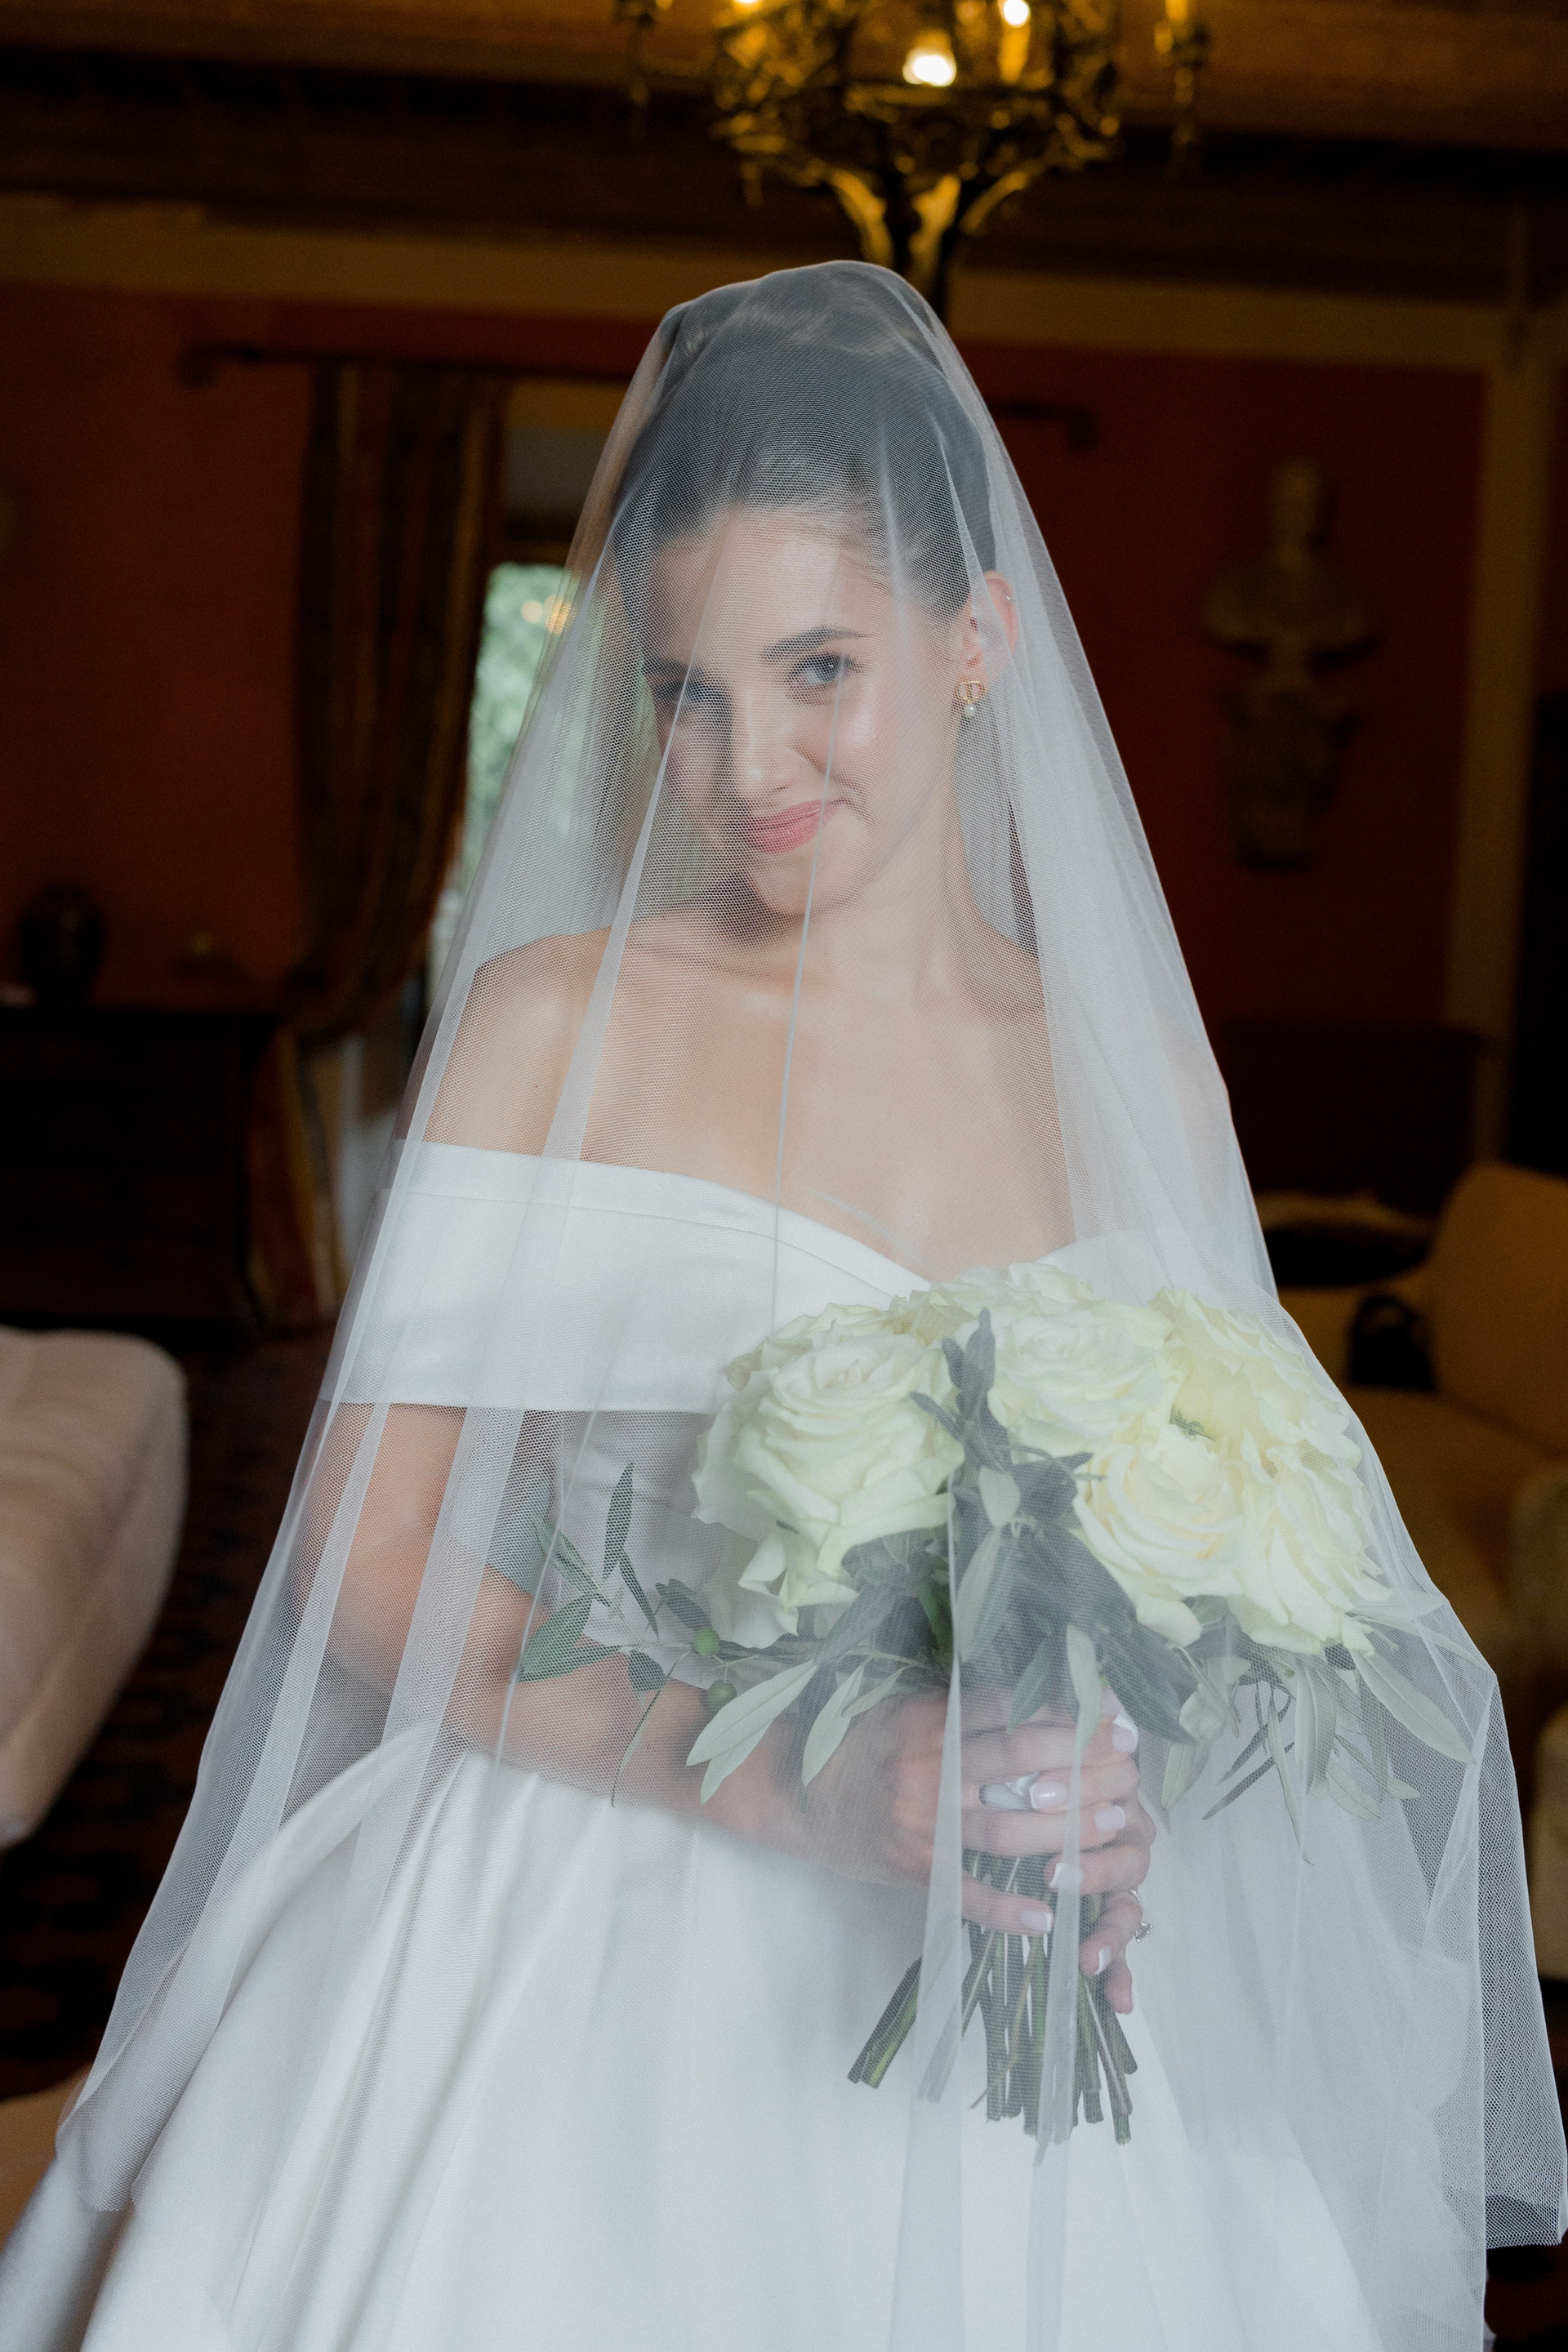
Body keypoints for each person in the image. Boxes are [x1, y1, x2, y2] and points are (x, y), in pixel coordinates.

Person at [1, 261, 1560, 2352]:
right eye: (688, 692)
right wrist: (777, 1780)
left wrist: (1111, 1786)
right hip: (572, 1907)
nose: (746, 767)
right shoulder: (551, 1027)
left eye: (819, 667)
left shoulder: (1129, 1071)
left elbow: (1230, 1550)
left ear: (979, 635)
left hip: (1025, 1942)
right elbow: (375, 1545)